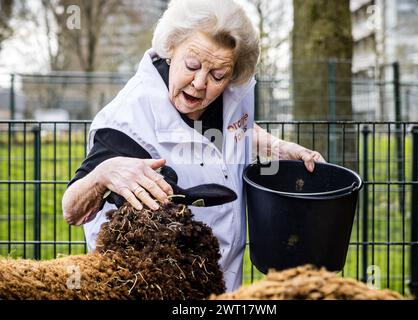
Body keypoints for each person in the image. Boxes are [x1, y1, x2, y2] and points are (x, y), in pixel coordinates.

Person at [62, 0, 325, 292]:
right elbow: (71, 210)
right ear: (171, 49)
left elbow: (236, 125)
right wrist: (104, 173)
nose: (200, 83)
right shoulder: (128, 119)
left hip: (222, 280)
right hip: (150, 287)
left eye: (217, 75)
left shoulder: (231, 95)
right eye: (192, 65)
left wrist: (277, 148)